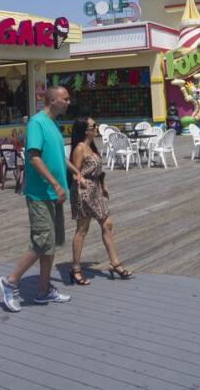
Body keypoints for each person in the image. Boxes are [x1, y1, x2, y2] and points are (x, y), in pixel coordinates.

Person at [0, 86, 72, 312]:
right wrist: (55, 183)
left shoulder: (54, 124)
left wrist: (74, 172)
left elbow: (58, 156)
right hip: (40, 193)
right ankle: (10, 282)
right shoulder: (37, 123)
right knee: (42, 241)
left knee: (50, 244)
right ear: (52, 100)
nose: (69, 102)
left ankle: (43, 290)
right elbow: (33, 157)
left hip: (54, 194)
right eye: (65, 98)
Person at [67, 117, 133, 285]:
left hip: (96, 189)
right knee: (82, 229)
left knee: (107, 224)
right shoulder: (80, 148)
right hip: (84, 192)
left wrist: (103, 185)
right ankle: (75, 269)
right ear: (85, 130)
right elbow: (75, 172)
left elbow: (97, 170)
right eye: (93, 126)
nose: (96, 128)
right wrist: (79, 179)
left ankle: (115, 263)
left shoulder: (91, 147)